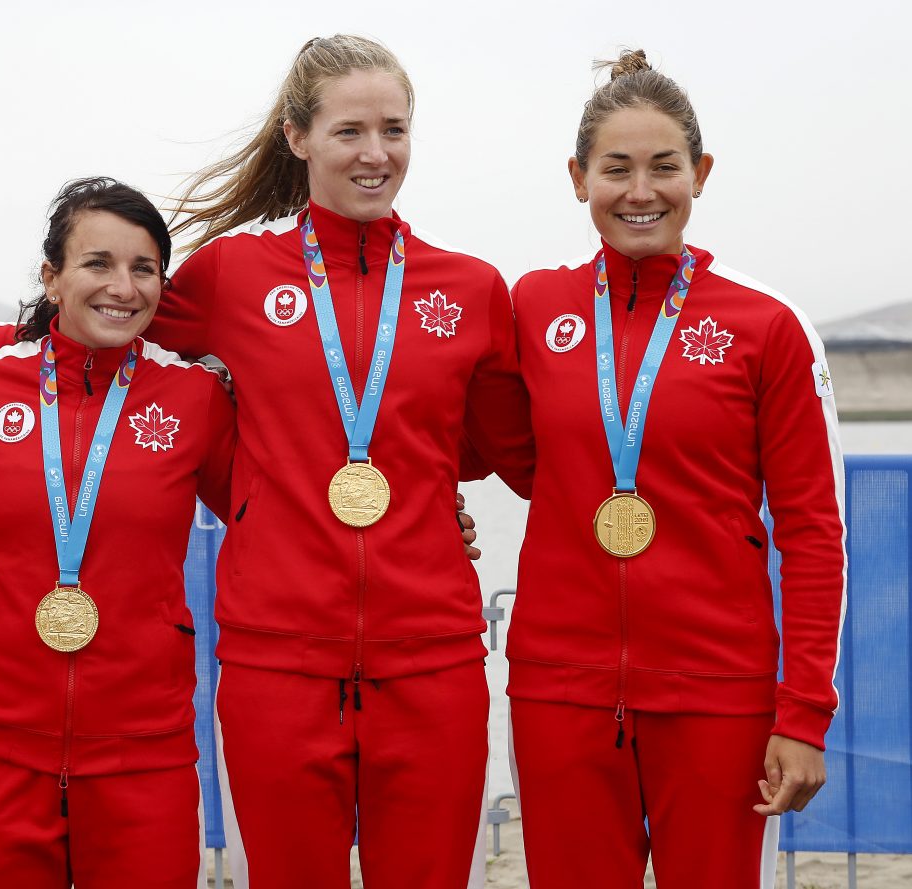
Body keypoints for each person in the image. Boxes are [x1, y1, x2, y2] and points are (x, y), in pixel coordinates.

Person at [150, 35, 533, 889]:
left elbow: (513, 450)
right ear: (297, 137)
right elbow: (103, 338)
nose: (375, 153)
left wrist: (428, 494)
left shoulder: (469, 288)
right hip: (274, 657)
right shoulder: (231, 275)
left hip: (431, 653)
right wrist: (238, 476)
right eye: (350, 131)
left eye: (394, 130)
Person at [506, 49, 844, 889]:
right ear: (578, 177)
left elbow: (812, 530)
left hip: (719, 693)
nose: (640, 191)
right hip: (561, 689)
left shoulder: (766, 326)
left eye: (664, 167)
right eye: (615, 169)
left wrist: (802, 713)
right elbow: (482, 444)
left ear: (702, 172)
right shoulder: (533, 307)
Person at [0, 177, 235, 888]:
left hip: (147, 757)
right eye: (98, 263)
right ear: (51, 277)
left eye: (144, 268)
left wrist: (435, 512)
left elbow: (275, 513)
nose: (123, 287)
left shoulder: (195, 397)